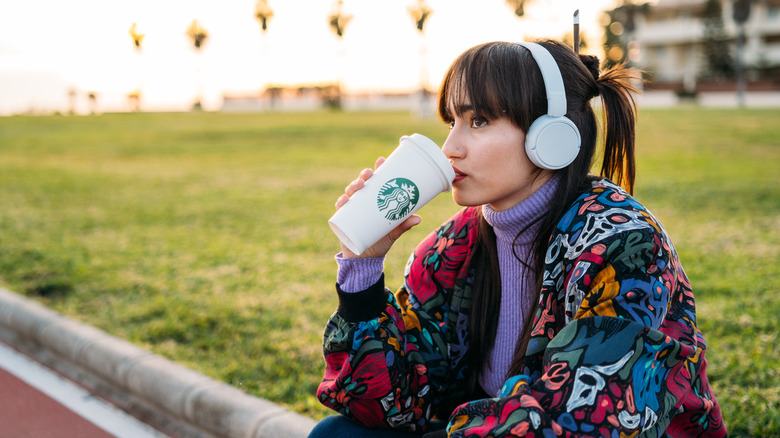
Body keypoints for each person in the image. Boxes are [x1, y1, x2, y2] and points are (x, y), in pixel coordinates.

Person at [309, 39, 727, 437]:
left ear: (551, 137)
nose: (450, 147)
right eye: (451, 122)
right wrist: (362, 266)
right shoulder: (450, 249)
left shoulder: (622, 245)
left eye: (479, 121)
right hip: (490, 427)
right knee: (335, 434)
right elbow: (392, 402)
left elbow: (587, 419)